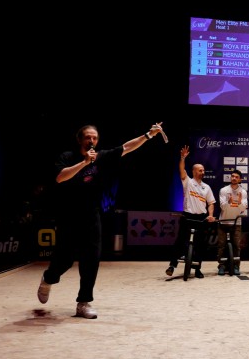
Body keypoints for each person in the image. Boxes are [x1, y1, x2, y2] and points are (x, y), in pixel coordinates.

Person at [37, 121, 165, 319]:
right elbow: (60, 178)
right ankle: (48, 278)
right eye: (88, 137)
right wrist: (84, 163)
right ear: (80, 139)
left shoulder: (102, 157)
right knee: (64, 260)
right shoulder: (67, 157)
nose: (91, 140)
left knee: (91, 259)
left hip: (92, 214)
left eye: (94, 138)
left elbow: (127, 147)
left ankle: (84, 302)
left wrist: (148, 135)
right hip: (69, 215)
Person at [165, 145, 217, 279]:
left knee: (200, 245)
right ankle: (172, 265)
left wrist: (210, 215)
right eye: (200, 170)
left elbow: (211, 203)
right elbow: (181, 169)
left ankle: (197, 269)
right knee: (180, 241)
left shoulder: (207, 187)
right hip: (187, 216)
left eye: (203, 170)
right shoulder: (188, 182)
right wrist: (183, 157)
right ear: (194, 172)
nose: (202, 172)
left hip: (201, 218)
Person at [217, 169, 247, 275]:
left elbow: (243, 208)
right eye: (232, 176)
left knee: (236, 246)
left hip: (236, 222)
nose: (234, 178)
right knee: (221, 246)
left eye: (236, 177)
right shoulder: (224, 190)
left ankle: (236, 266)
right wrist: (228, 202)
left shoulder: (243, 192)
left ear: (240, 179)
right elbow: (222, 207)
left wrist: (239, 202)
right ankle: (221, 266)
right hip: (223, 221)